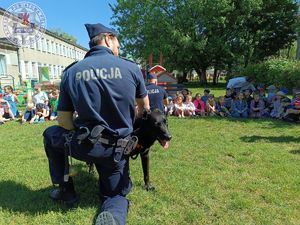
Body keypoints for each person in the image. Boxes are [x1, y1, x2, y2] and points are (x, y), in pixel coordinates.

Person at [43, 23, 150, 225]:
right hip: (116, 151)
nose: (118, 47)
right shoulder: (131, 67)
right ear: (108, 39)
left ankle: (66, 190)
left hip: (83, 146)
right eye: (117, 42)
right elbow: (144, 109)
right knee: (115, 195)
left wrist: (85, 131)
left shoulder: (72, 72)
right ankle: (112, 218)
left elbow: (64, 121)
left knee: (51, 135)